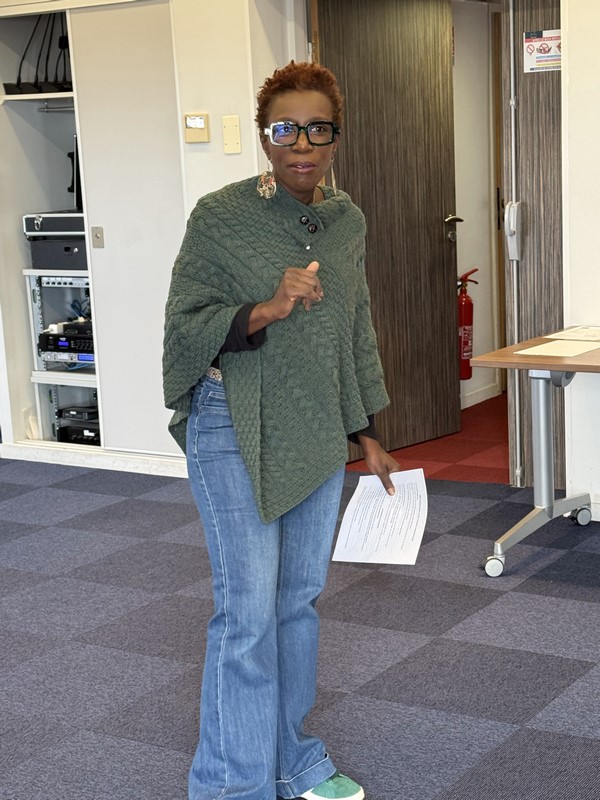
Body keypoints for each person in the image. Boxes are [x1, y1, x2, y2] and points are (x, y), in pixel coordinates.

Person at [163, 60, 401, 800]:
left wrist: (366, 428)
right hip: (230, 422)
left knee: (296, 603)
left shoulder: (348, 221)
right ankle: (229, 787)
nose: (302, 144)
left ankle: (292, 761)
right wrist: (266, 307)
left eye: (317, 129)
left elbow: (353, 327)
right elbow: (184, 326)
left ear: (336, 137)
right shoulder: (220, 216)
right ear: (266, 137)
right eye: (285, 129)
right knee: (247, 615)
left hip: (316, 427)